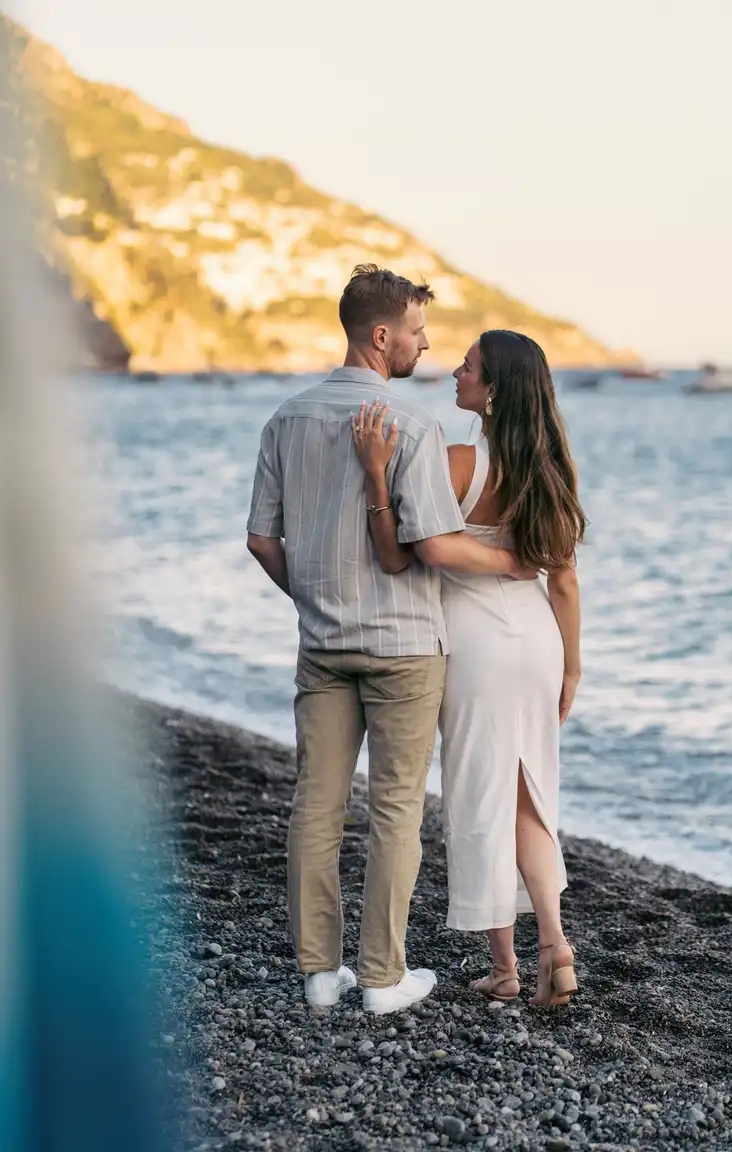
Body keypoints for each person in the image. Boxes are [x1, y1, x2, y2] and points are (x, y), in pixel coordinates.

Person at [246, 267, 536, 1016]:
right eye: (416, 331)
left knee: (316, 803)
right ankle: (381, 978)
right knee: (397, 809)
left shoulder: (286, 418)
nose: (426, 345)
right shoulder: (410, 425)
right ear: (383, 336)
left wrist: (313, 595)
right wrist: (514, 561)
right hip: (405, 645)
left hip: (323, 643)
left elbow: (260, 540)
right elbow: (429, 543)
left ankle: (319, 973)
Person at [352, 329, 585, 1005]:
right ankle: (555, 944)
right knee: (530, 795)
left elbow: (426, 547)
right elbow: (564, 580)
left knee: (480, 796)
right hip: (538, 637)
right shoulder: (553, 469)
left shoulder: (458, 462)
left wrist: (374, 473)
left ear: (495, 388)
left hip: (474, 637)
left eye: (470, 366)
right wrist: (573, 667)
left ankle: (510, 969)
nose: (457, 371)